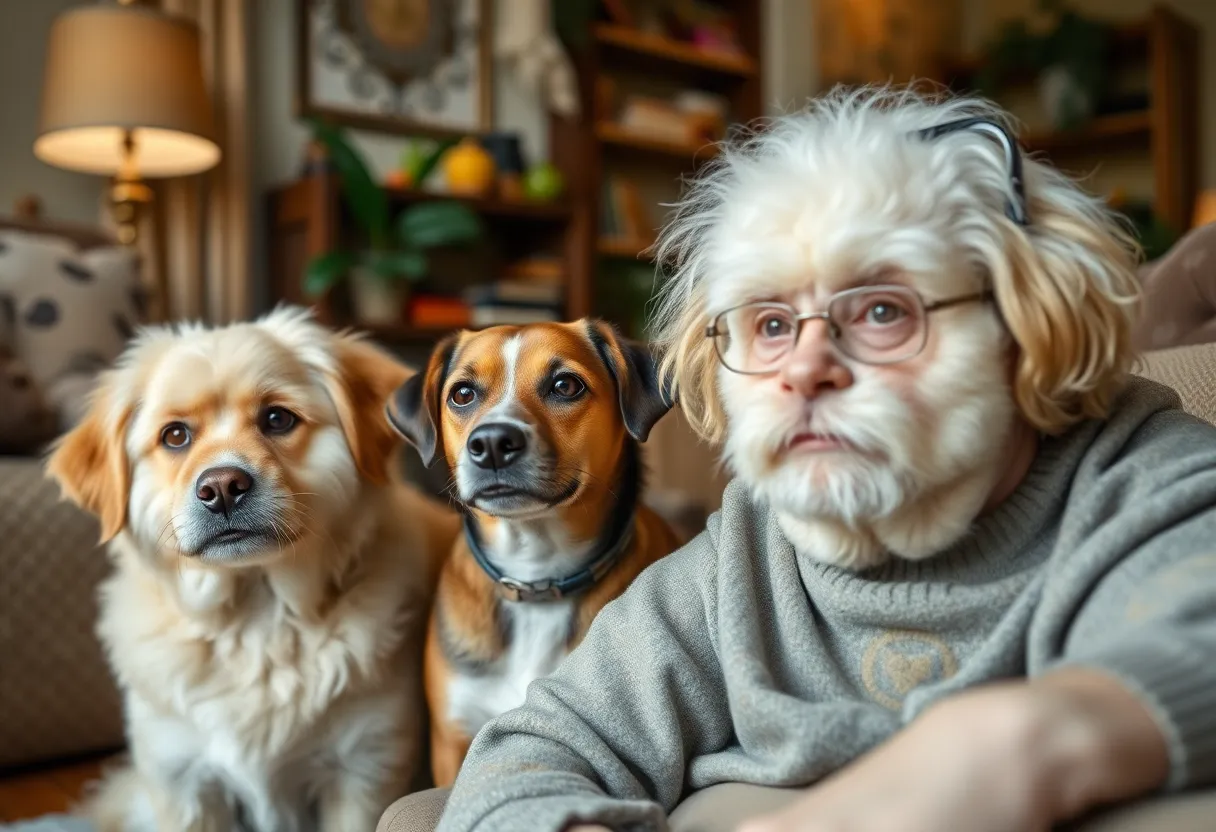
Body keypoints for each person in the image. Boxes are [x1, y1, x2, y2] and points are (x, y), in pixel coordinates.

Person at [388, 87, 1216, 832]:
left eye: (884, 310)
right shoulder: (740, 555)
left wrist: (1014, 744)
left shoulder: (1146, 481)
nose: (805, 366)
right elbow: (533, 750)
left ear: (1019, 331)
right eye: (772, 325)